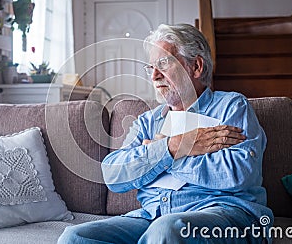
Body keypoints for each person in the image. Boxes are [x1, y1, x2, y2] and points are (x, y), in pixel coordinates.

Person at [57, 24, 273, 243]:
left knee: (166, 230)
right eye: (150, 67)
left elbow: (239, 173)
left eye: (163, 63)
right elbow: (113, 174)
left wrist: (161, 154)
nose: (154, 75)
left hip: (221, 213)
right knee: (75, 237)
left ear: (196, 67)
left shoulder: (231, 106)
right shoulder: (148, 121)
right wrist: (173, 147)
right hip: (152, 216)